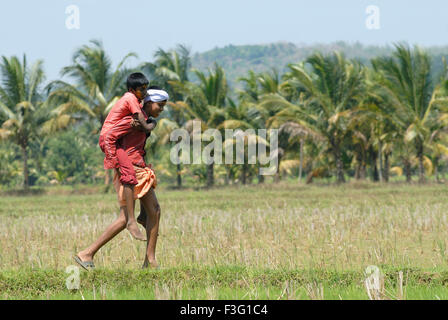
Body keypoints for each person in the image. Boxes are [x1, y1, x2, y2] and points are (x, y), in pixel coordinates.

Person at [75, 88, 168, 270]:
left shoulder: (142, 120)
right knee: (128, 217)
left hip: (138, 167)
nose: (162, 109)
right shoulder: (132, 120)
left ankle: (150, 260)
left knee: (153, 211)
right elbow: (111, 138)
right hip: (131, 169)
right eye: (160, 105)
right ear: (149, 102)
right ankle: (87, 253)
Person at [99, 73, 156, 241]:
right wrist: (152, 124)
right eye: (141, 90)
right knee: (129, 176)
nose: (144, 93)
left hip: (115, 141)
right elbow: (144, 125)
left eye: (146, 89)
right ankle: (131, 220)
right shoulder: (130, 98)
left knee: (140, 177)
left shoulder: (134, 101)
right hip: (110, 141)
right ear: (132, 90)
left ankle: (139, 216)